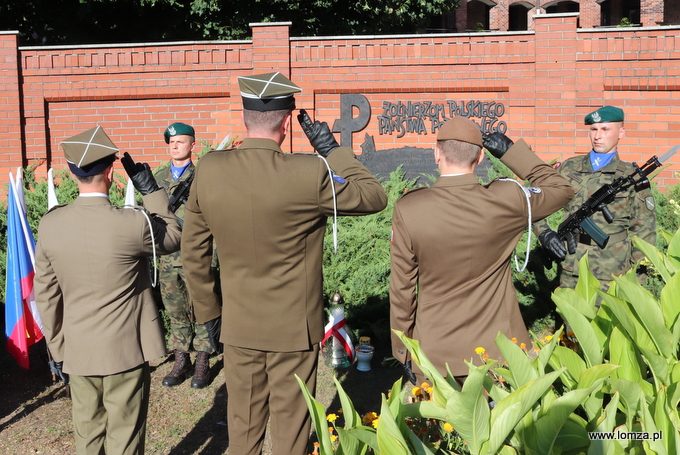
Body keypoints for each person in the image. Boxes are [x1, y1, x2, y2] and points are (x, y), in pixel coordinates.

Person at [181, 71, 387, 455]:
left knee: (242, 431)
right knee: (292, 431)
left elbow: (193, 252)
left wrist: (210, 314)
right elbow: (374, 195)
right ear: (288, 121)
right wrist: (333, 150)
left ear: (245, 117)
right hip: (295, 327)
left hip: (238, 324)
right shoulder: (309, 172)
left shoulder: (209, 169)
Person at [389, 117, 574, 385]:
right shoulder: (508, 199)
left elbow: (401, 290)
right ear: (481, 158)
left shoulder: (410, 208)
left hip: (436, 353)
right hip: (500, 353)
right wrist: (512, 153)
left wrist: (403, 351)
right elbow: (562, 188)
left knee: (443, 427)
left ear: (436, 153)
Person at [34, 126, 182, 454]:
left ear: (73, 175)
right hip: (126, 350)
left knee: (87, 438)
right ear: (112, 173)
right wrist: (148, 187)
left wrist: (59, 350)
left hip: (78, 350)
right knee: (125, 439)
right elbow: (174, 235)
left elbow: (45, 294)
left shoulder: (51, 225)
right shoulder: (133, 223)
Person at [534, 106, 656, 290]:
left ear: (621, 133)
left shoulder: (632, 177)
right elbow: (535, 200)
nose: (597, 136)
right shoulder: (569, 168)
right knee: (571, 318)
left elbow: (645, 232)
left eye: (605, 129)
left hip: (613, 272)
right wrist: (544, 233)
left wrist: (638, 281)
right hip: (571, 268)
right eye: (593, 129)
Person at [154, 122, 216, 389]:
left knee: (202, 306)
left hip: (197, 254)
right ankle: (182, 358)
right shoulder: (156, 179)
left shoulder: (204, 176)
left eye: (180, 141)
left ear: (193, 144)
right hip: (167, 256)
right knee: (175, 308)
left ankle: (203, 359)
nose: (174, 145)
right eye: (171, 141)